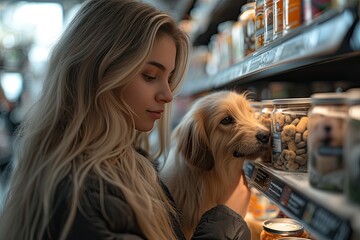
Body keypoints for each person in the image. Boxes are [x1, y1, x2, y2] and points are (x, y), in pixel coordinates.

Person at [0, 0, 251, 239]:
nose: (167, 94)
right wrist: (227, 219)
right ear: (98, 74)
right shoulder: (84, 194)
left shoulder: (122, 166)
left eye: (169, 78)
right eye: (151, 76)